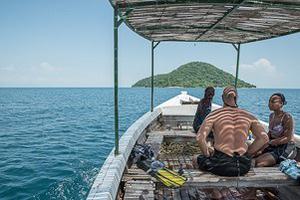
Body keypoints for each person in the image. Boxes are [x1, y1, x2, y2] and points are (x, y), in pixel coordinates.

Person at [193, 86, 269, 177]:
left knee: (195, 159)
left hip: (221, 165)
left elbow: (199, 138)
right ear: (236, 98)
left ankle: (214, 191)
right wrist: (247, 154)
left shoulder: (214, 115)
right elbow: (264, 138)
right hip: (242, 166)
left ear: (222, 98)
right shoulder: (248, 116)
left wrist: (207, 155)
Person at [255, 93, 296, 167]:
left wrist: (272, 142)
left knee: (259, 163)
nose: (269, 104)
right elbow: (270, 132)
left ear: (281, 103)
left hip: (284, 147)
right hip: (272, 144)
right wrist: (262, 141)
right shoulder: (271, 116)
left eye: (273, 101)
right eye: (269, 101)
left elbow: (287, 138)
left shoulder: (287, 117)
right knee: (253, 154)